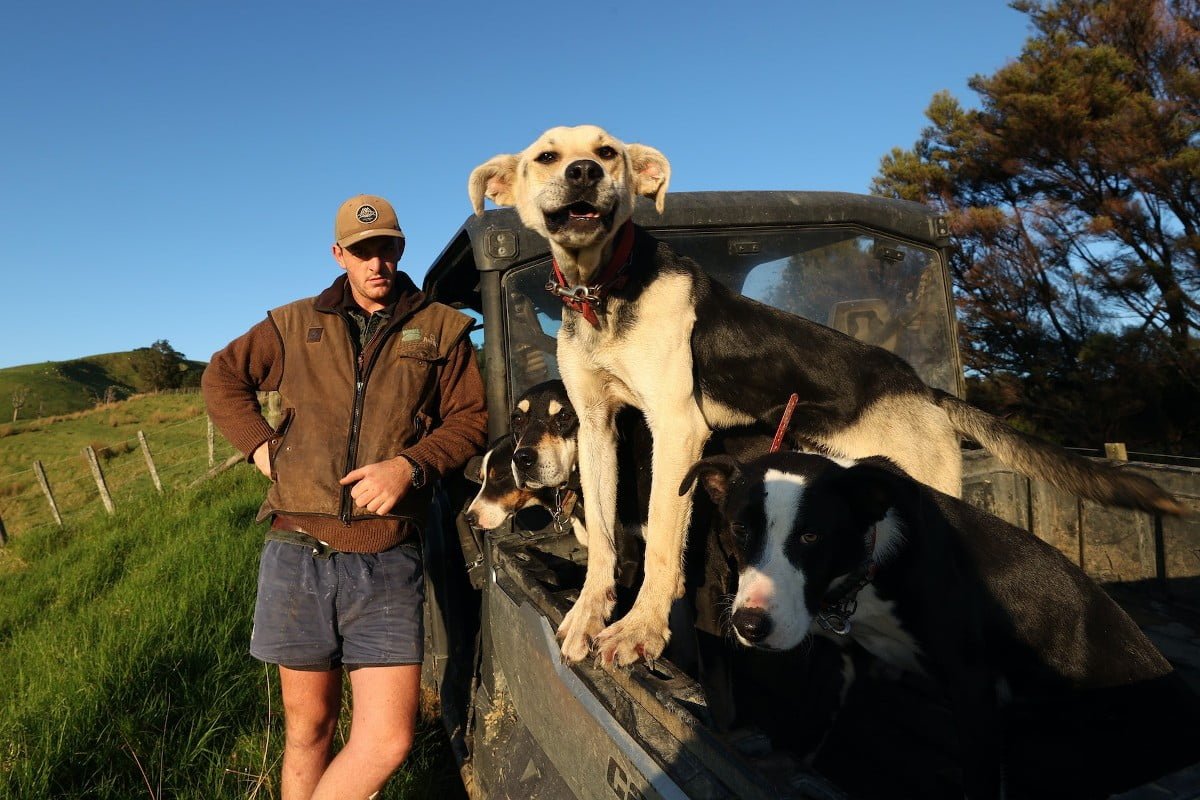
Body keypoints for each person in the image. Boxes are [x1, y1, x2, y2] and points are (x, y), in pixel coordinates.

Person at [202, 194, 487, 800]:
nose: (375, 262)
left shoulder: (439, 328)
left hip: (386, 559)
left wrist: (411, 466)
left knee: (387, 741)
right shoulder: (293, 323)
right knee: (309, 728)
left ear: (400, 247)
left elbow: (470, 421)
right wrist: (261, 449)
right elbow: (222, 377)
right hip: (296, 552)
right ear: (339, 255)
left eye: (384, 247)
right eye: (361, 251)